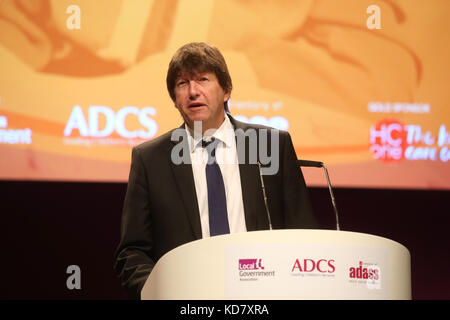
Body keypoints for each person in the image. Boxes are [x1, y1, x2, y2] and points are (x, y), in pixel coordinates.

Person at [114, 42, 318, 299]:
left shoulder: (271, 146)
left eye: (203, 79)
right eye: (182, 83)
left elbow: (303, 233)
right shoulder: (150, 159)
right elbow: (132, 253)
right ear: (175, 100)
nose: (193, 91)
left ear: (226, 91)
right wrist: (162, 291)